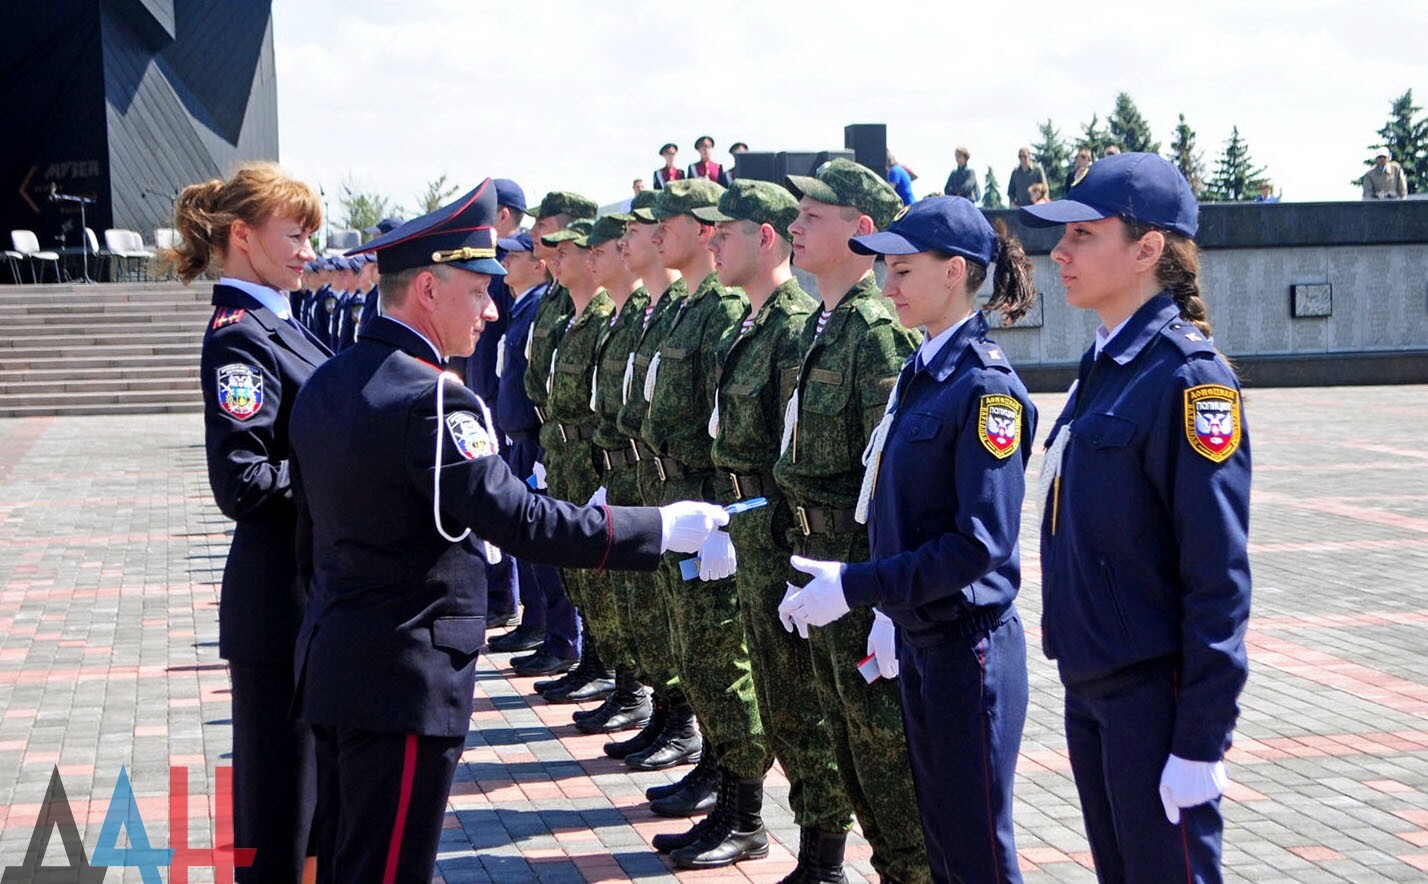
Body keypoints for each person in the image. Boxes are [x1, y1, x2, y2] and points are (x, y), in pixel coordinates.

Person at [287, 179, 729, 883]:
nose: (490, 309)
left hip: (337, 664)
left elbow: (307, 543)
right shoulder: (432, 399)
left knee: (348, 858)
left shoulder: (327, 383)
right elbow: (522, 519)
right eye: (474, 291)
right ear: (427, 290)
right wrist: (661, 529)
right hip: (404, 681)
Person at [780, 196, 1040, 883]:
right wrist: (890, 611)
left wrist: (861, 588)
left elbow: (978, 545)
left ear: (954, 272)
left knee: (978, 849)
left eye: (901, 271)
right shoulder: (926, 372)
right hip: (926, 638)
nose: (887, 287)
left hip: (968, 647)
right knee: (945, 845)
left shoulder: (984, 389)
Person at [1019, 152, 1252, 883]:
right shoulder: (1109, 364)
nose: (1059, 252)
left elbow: (1217, 575)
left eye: (1084, 235)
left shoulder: (1187, 379)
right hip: (1094, 686)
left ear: (1148, 249)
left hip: (1155, 698)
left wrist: (1200, 741)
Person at [772, 158, 930, 884]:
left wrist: (886, 603)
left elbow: (897, 483)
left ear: (862, 230)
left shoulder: (876, 335)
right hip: (821, 565)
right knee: (850, 757)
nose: (795, 228)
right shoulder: (823, 327)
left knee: (892, 775)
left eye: (813, 216)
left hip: (860, 579)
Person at [169, 162, 327, 884]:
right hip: (279, 605)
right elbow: (243, 481)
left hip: (312, 597)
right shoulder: (239, 334)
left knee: (318, 810)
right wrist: (344, 478)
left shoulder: (278, 321)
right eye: (294, 235)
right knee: (279, 818)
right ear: (242, 235)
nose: (307, 251)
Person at [698, 179, 857, 882]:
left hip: (785, 538)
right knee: (769, 690)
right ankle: (753, 816)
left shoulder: (796, 324)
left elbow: (805, 452)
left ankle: (821, 857)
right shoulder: (760, 321)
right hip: (752, 532)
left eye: (724, 232)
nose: (712, 243)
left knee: (801, 704)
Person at [641, 178, 773, 870]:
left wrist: (727, 517)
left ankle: (745, 810)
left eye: (677, 221)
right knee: (696, 654)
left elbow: (737, 425)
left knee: (723, 660)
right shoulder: (693, 307)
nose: (662, 231)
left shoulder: (723, 309)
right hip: (678, 503)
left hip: (711, 508)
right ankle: (724, 791)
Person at [605, 190, 696, 771]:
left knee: (711, 647)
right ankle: (666, 712)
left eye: (658, 225)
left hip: (692, 495)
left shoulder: (711, 309)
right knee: (657, 619)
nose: (642, 238)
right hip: (641, 479)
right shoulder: (661, 312)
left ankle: (728, 783)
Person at [510, 191, 597, 681]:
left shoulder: (585, 304)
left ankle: (572, 646)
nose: (545, 242)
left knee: (577, 564)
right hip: (547, 442)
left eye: (553, 231)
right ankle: (565, 644)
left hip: (576, 449)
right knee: (548, 556)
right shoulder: (555, 301)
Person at [486, 233, 569, 657]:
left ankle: (560, 637)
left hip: (535, 439)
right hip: (517, 437)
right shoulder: (522, 308)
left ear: (537, 264)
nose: (504, 262)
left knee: (545, 544)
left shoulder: (539, 307)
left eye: (513, 256)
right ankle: (538, 624)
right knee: (526, 541)